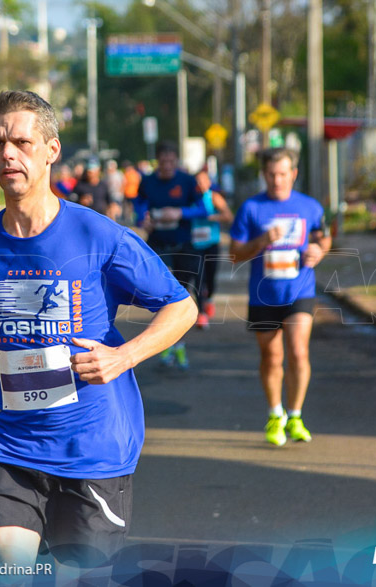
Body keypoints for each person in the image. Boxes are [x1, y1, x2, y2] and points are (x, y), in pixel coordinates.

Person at [0, 90, 196, 569]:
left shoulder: (98, 235)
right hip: (3, 442)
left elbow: (181, 307)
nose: (7, 153)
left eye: (21, 142)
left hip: (90, 449)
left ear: (51, 150)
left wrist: (123, 356)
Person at [229, 147, 331, 446]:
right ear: (264, 175)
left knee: (299, 352)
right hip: (263, 295)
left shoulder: (309, 207)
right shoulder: (251, 208)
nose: (277, 180)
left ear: (293, 174)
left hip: (300, 290)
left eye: (283, 174)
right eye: (272, 175)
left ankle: (295, 414)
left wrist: (320, 251)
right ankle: (276, 414)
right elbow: (234, 254)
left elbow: (323, 236)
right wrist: (261, 241)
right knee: (272, 357)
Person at [134, 141, 207, 370]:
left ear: (176, 161)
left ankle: (178, 343)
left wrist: (180, 212)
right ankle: (168, 343)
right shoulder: (147, 182)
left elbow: (204, 209)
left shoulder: (187, 181)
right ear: (157, 162)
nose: (166, 166)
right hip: (157, 245)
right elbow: (138, 206)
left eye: (170, 161)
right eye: (162, 161)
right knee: (163, 295)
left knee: (183, 296)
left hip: (184, 244)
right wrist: (142, 219)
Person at [191, 169, 233, 329]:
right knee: (198, 278)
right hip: (195, 245)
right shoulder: (192, 198)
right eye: (197, 182)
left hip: (211, 244)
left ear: (209, 182)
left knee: (210, 278)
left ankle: (209, 299)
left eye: (203, 181)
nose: (200, 185)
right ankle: (201, 313)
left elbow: (228, 216)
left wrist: (212, 217)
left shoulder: (214, 197)